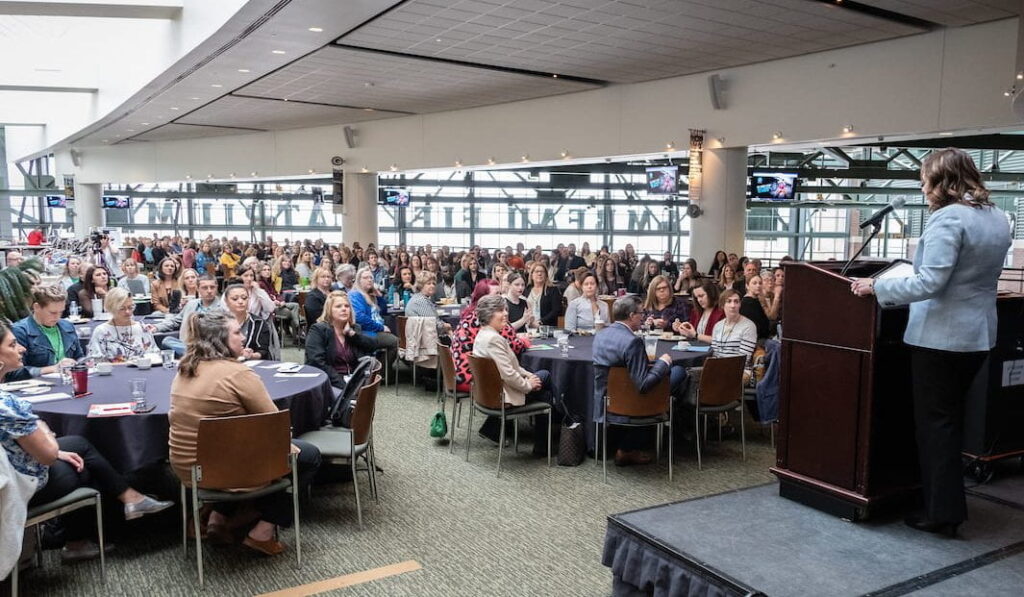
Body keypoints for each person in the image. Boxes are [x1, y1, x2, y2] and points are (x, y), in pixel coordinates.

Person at [851, 148, 1011, 537]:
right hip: (977, 336)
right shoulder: (997, 219)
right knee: (950, 422)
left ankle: (943, 513)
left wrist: (877, 285)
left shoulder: (947, 220)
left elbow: (929, 282)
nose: (922, 188)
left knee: (935, 426)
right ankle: (943, 501)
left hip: (940, 337)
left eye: (925, 180)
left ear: (942, 182)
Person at [0, 321, 172, 561]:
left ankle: (130, 499)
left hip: (9, 469)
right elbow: (47, 455)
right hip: (17, 485)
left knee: (78, 444)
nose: (22, 349)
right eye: (12, 344)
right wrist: (44, 431)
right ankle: (80, 538)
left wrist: (54, 446)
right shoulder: (8, 405)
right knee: (84, 463)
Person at [169, 311, 320, 556]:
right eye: (237, 333)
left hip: (188, 467)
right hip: (226, 469)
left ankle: (216, 515)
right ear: (220, 340)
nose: (244, 337)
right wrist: (289, 448)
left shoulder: (185, 368)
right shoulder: (237, 374)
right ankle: (261, 532)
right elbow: (275, 426)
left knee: (252, 454)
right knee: (305, 456)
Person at [593, 296, 687, 466]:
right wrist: (662, 363)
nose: (643, 316)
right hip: (632, 402)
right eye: (641, 313)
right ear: (631, 316)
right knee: (679, 373)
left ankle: (632, 443)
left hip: (606, 400)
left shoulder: (601, 334)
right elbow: (643, 385)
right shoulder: (632, 341)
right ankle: (633, 445)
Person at [472, 295, 552, 453]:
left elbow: (510, 366)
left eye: (505, 310)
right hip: (503, 395)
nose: (506, 314)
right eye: (500, 311)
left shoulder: (482, 335)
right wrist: (528, 386)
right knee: (545, 384)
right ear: (488, 315)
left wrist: (528, 375)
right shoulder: (493, 340)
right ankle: (545, 443)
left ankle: (493, 428)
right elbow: (508, 374)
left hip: (489, 393)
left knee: (541, 378)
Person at [304, 291, 376, 414]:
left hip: (352, 380)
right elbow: (316, 361)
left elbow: (372, 346)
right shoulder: (319, 329)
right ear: (329, 310)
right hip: (329, 381)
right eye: (338, 306)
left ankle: (360, 431)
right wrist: (343, 385)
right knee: (351, 405)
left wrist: (352, 335)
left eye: (346, 306)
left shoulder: (354, 329)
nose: (344, 309)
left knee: (363, 404)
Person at [6, 285, 85, 381]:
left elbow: (79, 357)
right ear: (36, 307)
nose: (57, 317)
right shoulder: (20, 331)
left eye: (61, 312)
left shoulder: (67, 326)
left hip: (68, 381)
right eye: (52, 313)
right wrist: (51, 369)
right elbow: (13, 372)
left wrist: (83, 362)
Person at [152, 274, 223, 356]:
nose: (209, 291)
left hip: (210, 346)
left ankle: (195, 355)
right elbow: (175, 321)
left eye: (212, 287)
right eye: (205, 288)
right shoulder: (191, 304)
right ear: (198, 289)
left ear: (217, 288)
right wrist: (156, 327)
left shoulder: (223, 307)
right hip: (187, 344)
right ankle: (194, 354)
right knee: (167, 340)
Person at [87, 288, 157, 362]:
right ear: (111, 308)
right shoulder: (101, 331)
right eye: (122, 309)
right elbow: (94, 361)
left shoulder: (142, 329)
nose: (127, 312)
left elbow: (154, 356)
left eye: (130, 307)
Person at [349, 266, 399, 366]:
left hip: (376, 329)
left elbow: (384, 311)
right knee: (394, 342)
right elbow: (359, 318)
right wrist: (380, 327)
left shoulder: (370, 294)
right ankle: (381, 371)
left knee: (398, 332)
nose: (369, 280)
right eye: (366, 278)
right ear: (359, 280)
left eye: (371, 278)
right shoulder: (355, 295)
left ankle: (382, 368)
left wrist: (379, 296)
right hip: (366, 332)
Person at [223, 283, 272, 360]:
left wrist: (251, 355)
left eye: (244, 298)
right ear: (226, 301)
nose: (240, 301)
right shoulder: (219, 322)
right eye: (235, 299)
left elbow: (263, 351)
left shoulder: (259, 322)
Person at [259, 263, 302, 345]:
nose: (267, 272)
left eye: (268, 270)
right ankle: (296, 332)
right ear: (260, 272)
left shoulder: (270, 282)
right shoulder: (261, 284)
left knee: (295, 305)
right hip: (271, 308)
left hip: (277, 304)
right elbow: (266, 298)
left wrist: (281, 300)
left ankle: (295, 329)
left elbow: (276, 294)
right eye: (264, 270)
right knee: (290, 312)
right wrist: (275, 301)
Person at [404, 271, 453, 335]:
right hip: (422, 340)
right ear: (421, 286)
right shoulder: (421, 301)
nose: (432, 286)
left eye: (434, 284)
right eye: (428, 284)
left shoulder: (420, 298)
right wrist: (446, 326)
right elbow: (434, 324)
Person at [525, 263, 561, 327]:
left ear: (546, 275)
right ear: (531, 275)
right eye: (536, 271)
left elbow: (556, 310)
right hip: (528, 326)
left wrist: (541, 322)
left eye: (542, 272)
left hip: (546, 327)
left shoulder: (553, 290)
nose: (539, 274)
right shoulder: (527, 290)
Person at [739, 272, 771, 340]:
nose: (758, 286)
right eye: (754, 283)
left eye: (760, 283)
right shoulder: (746, 303)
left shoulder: (757, 300)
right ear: (747, 286)